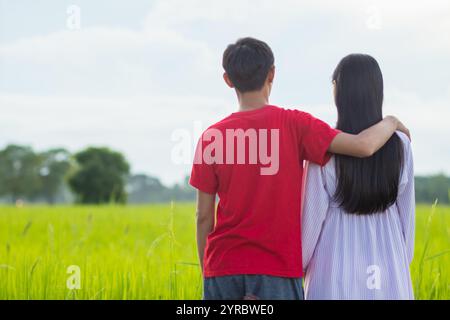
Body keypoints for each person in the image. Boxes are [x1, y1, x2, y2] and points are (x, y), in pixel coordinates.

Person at [190, 38, 409, 300]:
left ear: (227, 79)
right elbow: (363, 145)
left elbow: (203, 217)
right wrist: (392, 121)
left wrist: (210, 272)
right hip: (277, 270)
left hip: (223, 268)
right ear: (272, 73)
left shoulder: (211, 138)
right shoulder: (295, 125)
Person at [302, 54, 415, 300]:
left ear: (338, 91)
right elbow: (407, 220)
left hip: (332, 267)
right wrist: (397, 265)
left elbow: (309, 227)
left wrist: (298, 269)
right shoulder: (402, 145)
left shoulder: (324, 148)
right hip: (389, 266)